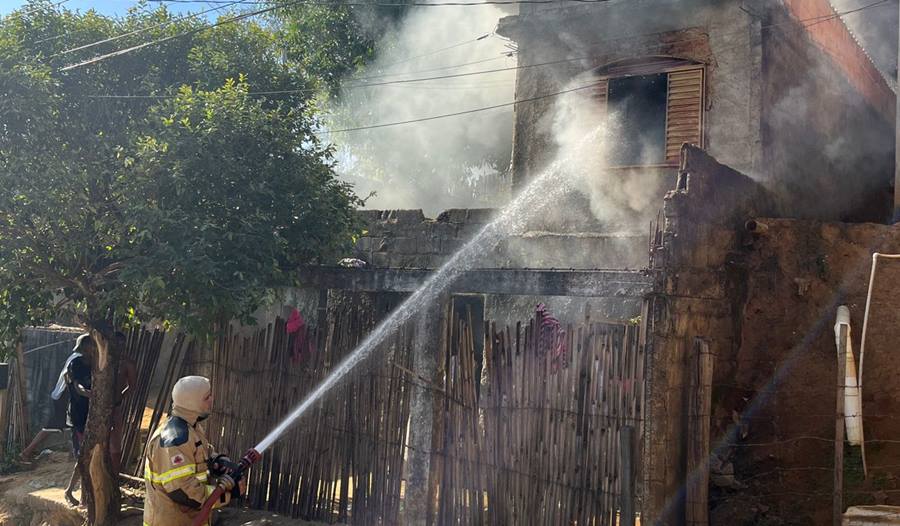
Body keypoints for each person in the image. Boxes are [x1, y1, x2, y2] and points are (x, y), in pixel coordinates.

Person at [143, 376, 245, 526]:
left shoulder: (190, 427)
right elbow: (183, 492)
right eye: (206, 397)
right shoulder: (174, 441)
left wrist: (218, 462)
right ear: (192, 403)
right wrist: (226, 495)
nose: (212, 399)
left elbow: (202, 453)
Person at [19, 333, 90, 462]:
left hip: (64, 395)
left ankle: (71, 455)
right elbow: (71, 382)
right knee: (53, 426)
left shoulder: (77, 357)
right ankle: (26, 452)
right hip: (64, 396)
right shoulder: (78, 360)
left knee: (69, 426)